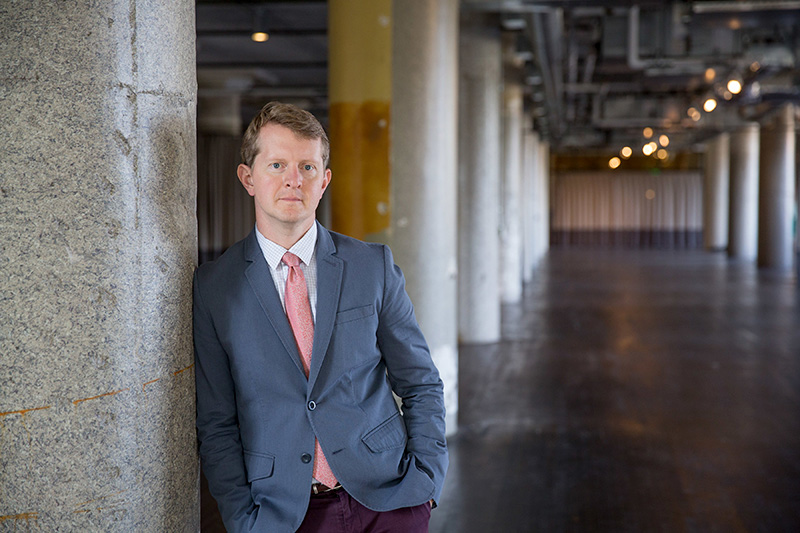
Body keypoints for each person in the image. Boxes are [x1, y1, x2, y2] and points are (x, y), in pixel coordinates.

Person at [193, 101, 448, 532]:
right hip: (284, 514)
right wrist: (242, 520)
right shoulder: (215, 288)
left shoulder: (372, 266)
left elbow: (420, 381)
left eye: (308, 167)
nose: (294, 179)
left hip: (389, 501)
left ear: (324, 180)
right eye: (277, 164)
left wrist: (426, 479)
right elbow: (216, 423)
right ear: (248, 178)